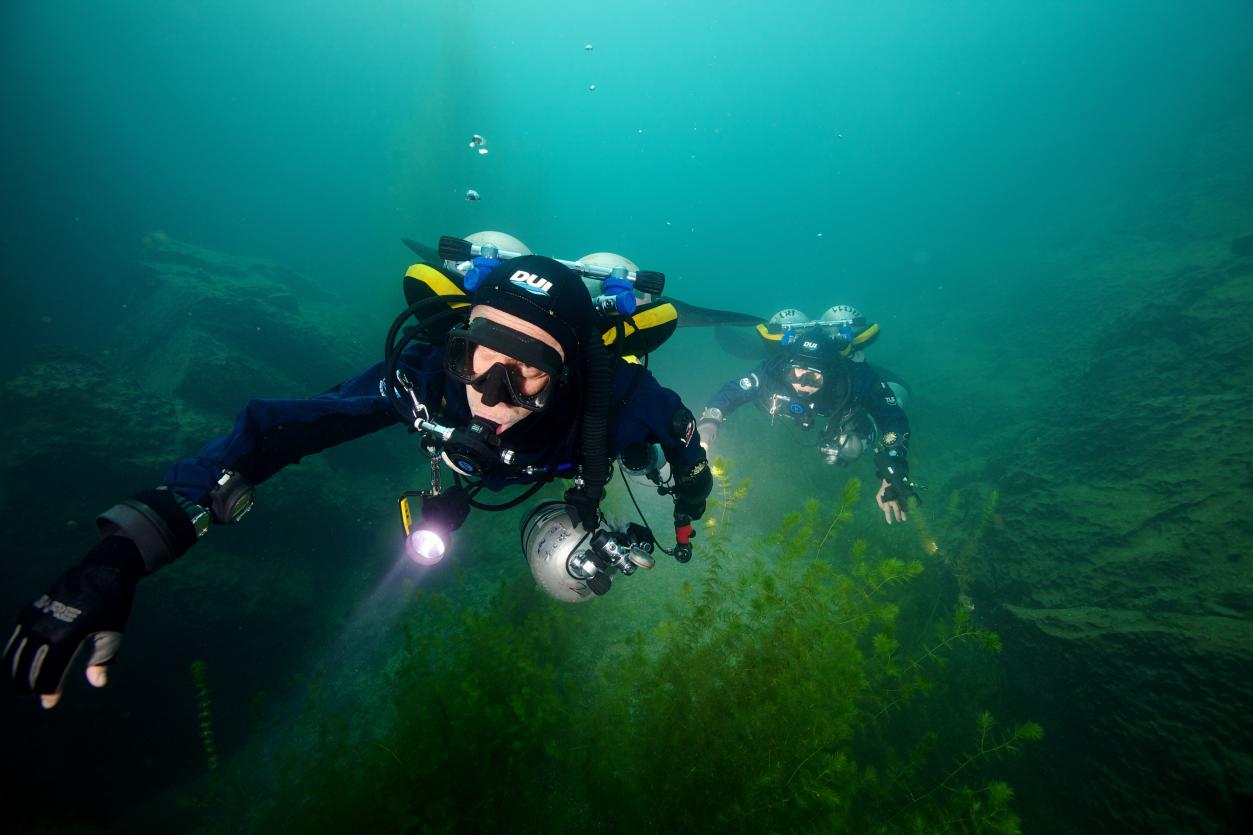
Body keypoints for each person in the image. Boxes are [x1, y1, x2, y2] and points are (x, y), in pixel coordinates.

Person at [4, 250, 712, 709]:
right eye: (474, 356)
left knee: (646, 458)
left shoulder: (620, 404)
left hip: (585, 446)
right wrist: (125, 552)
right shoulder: (426, 378)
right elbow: (277, 429)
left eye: (523, 370)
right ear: (452, 343)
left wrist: (691, 499)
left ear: (566, 378)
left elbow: (685, 450)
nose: (487, 393)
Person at [698, 304, 917, 526]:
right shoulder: (773, 372)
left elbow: (893, 418)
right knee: (759, 373)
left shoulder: (856, 379)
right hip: (788, 379)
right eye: (797, 374)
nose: (802, 385)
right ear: (787, 368)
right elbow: (732, 392)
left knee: (851, 447)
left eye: (814, 379)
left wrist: (893, 471)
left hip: (848, 404)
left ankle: (862, 428)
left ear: (829, 376)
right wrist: (707, 428)